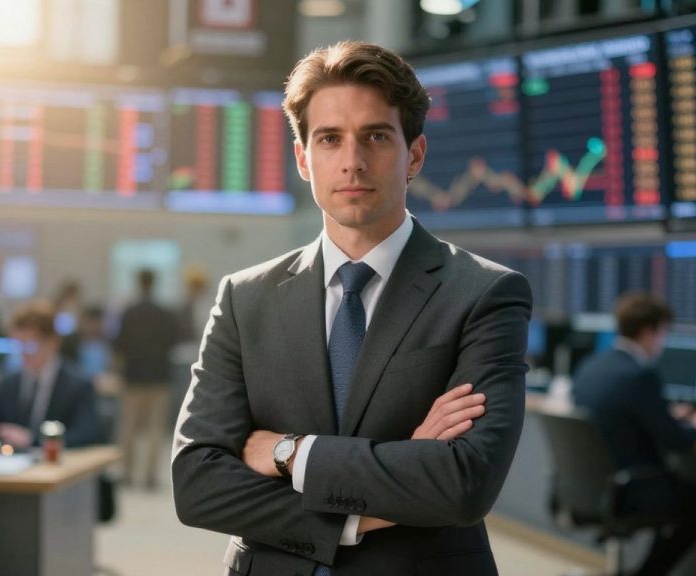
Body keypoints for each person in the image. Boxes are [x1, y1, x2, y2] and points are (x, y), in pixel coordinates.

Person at [172, 41, 531, 576]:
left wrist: (289, 454)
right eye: (330, 139)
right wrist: (358, 517)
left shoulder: (483, 293)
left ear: (415, 155)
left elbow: (462, 481)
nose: (353, 161)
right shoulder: (244, 297)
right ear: (302, 157)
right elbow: (198, 484)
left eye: (377, 136)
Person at [572, 293, 696, 576]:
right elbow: (675, 440)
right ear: (649, 331)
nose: (664, 341)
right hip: (631, 487)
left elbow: (621, 416)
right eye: (664, 333)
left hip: (592, 485)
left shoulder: (591, 367)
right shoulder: (639, 375)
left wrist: (664, 414)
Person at [0, 300, 101, 449]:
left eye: (30, 345)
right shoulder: (7, 383)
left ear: (53, 342)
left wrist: (34, 440)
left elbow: (86, 435)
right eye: (18, 345)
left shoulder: (78, 386)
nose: (24, 353)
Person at [113, 268, 181, 489]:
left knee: (129, 426)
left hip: (133, 376)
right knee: (155, 428)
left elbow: (119, 344)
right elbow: (173, 341)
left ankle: (127, 472)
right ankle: (150, 475)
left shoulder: (129, 312)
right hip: (159, 375)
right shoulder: (164, 313)